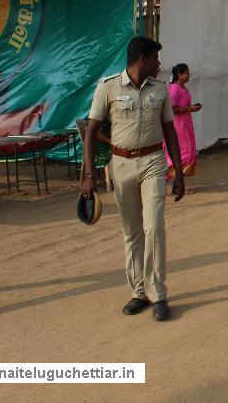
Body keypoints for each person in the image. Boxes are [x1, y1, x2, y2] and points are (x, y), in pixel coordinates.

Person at [83, 36, 185, 322]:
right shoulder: (108, 87)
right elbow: (91, 131)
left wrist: (177, 171)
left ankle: (158, 294)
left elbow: (169, 132)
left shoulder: (160, 90)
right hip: (122, 165)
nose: (159, 64)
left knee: (154, 227)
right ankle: (139, 292)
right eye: (155, 59)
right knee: (132, 231)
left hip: (153, 162)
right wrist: (89, 176)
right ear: (142, 58)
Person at [165, 64, 201, 180]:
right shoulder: (174, 89)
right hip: (178, 126)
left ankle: (180, 182)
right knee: (181, 154)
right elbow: (171, 109)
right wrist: (189, 109)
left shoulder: (183, 88)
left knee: (188, 152)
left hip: (185, 124)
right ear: (180, 75)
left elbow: (182, 105)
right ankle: (177, 183)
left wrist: (191, 107)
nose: (189, 75)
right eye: (186, 73)